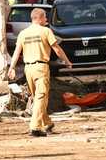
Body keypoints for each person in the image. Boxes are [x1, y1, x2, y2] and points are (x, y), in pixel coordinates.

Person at [7, 8, 72, 137]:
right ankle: (35, 127)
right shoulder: (46, 31)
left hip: (28, 69)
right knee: (41, 97)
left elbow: (16, 52)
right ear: (39, 18)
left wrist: (11, 67)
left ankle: (46, 122)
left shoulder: (23, 33)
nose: (46, 20)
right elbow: (56, 49)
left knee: (37, 98)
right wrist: (67, 61)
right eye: (45, 17)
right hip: (41, 68)